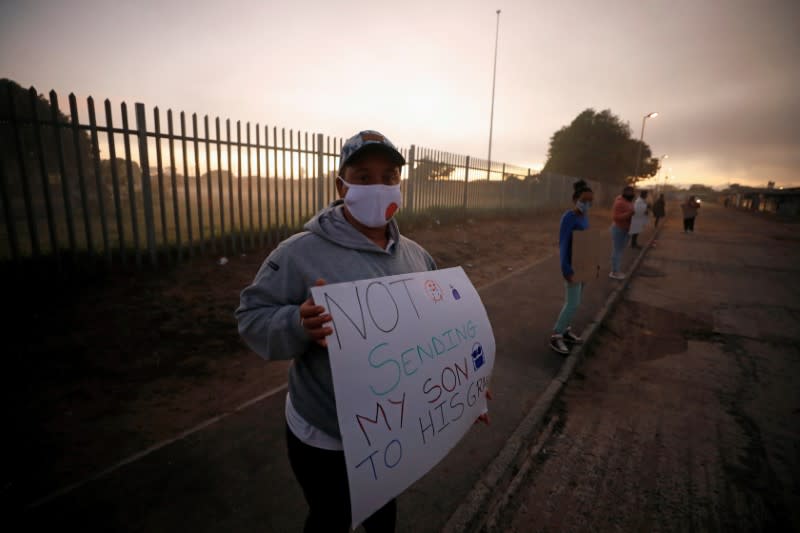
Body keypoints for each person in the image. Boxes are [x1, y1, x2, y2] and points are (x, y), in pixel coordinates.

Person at [236, 130, 488, 533]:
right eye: (364, 177)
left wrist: (466, 384)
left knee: (383, 517)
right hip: (324, 435)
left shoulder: (417, 257)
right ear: (342, 185)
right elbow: (251, 317)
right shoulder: (298, 253)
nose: (378, 187)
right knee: (330, 520)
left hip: (391, 435)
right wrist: (297, 323)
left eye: (389, 177)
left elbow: (437, 334)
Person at [550, 180, 594, 355]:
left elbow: (584, 241)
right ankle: (556, 335)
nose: (587, 204)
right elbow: (564, 244)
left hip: (584, 264)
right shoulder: (569, 217)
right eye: (584, 200)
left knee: (576, 302)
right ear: (575, 199)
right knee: (572, 303)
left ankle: (565, 330)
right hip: (572, 266)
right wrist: (566, 268)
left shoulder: (584, 217)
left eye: (591, 201)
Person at [609, 185, 635, 280]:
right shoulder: (619, 203)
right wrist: (629, 214)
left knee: (619, 251)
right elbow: (616, 217)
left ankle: (616, 270)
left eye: (632, 193)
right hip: (619, 229)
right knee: (617, 251)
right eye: (629, 193)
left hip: (626, 229)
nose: (631, 194)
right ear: (624, 193)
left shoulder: (629, 202)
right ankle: (615, 272)